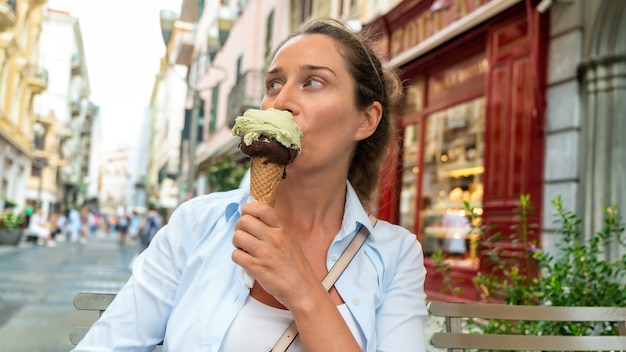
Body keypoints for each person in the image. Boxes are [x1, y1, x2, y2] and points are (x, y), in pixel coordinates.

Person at [72, 18, 427, 351]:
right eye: (274, 83)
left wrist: (302, 289)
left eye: (312, 82)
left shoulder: (396, 255)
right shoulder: (196, 224)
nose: (281, 101)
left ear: (365, 120)